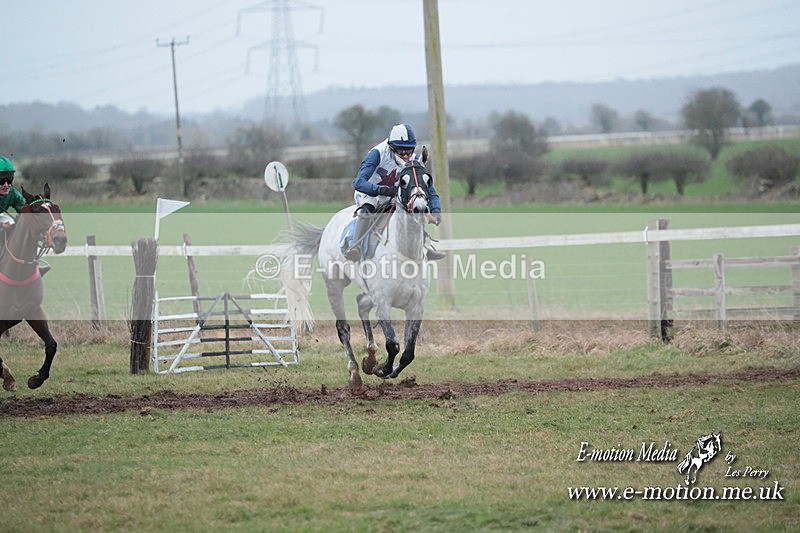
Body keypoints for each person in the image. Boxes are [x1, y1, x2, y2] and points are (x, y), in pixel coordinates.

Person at [345, 124, 446, 261]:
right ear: (391, 147)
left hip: (395, 193)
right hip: (370, 192)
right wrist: (382, 190)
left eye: (409, 151)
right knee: (369, 206)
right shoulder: (377, 154)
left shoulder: (415, 160)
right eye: (400, 152)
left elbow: (429, 190)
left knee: (414, 206)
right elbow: (359, 182)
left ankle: (425, 247)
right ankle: (355, 246)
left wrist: (436, 209)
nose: (405, 156)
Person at [0, 156, 50, 276]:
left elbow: (25, 210)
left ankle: (32, 265)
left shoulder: (12, 193)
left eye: (9, 179)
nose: (6, 185)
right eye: (1, 181)